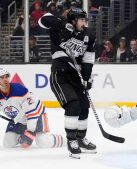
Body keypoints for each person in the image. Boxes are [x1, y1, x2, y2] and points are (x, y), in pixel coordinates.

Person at [38, 8, 96, 158]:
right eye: (81, 19)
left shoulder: (89, 34)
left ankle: (81, 138)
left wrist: (87, 76)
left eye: (85, 19)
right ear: (74, 20)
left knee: (84, 107)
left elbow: (88, 58)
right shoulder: (59, 27)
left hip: (76, 77)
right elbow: (42, 19)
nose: (85, 22)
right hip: (60, 75)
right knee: (73, 104)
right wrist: (63, 24)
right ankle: (71, 141)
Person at [0, 68, 64, 150]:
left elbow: (32, 112)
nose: (5, 79)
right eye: (1, 77)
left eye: (6, 76)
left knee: (42, 142)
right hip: (19, 120)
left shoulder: (20, 91)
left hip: (37, 116)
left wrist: (30, 132)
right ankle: (22, 137)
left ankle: (65, 140)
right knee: (8, 142)